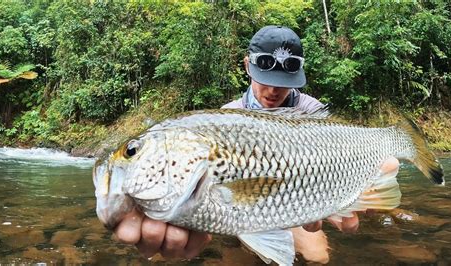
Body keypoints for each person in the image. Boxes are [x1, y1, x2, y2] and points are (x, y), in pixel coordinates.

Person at [114, 25, 400, 263]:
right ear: (247, 65)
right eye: (265, 80)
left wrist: (350, 194)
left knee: (318, 258)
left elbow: (340, 156)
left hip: (298, 208)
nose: (273, 90)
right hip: (237, 213)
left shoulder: (312, 112)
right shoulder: (225, 118)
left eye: (282, 81)